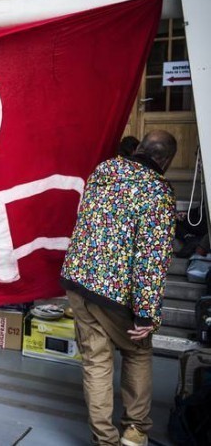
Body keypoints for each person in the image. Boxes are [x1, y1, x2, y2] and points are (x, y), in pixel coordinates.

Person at [60, 130, 177, 446]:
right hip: (116, 294)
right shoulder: (158, 192)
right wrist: (145, 314)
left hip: (79, 281)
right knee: (138, 352)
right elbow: (151, 261)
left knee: (96, 363)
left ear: (139, 148)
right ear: (166, 160)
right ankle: (135, 430)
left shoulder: (105, 169)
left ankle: (105, 440)